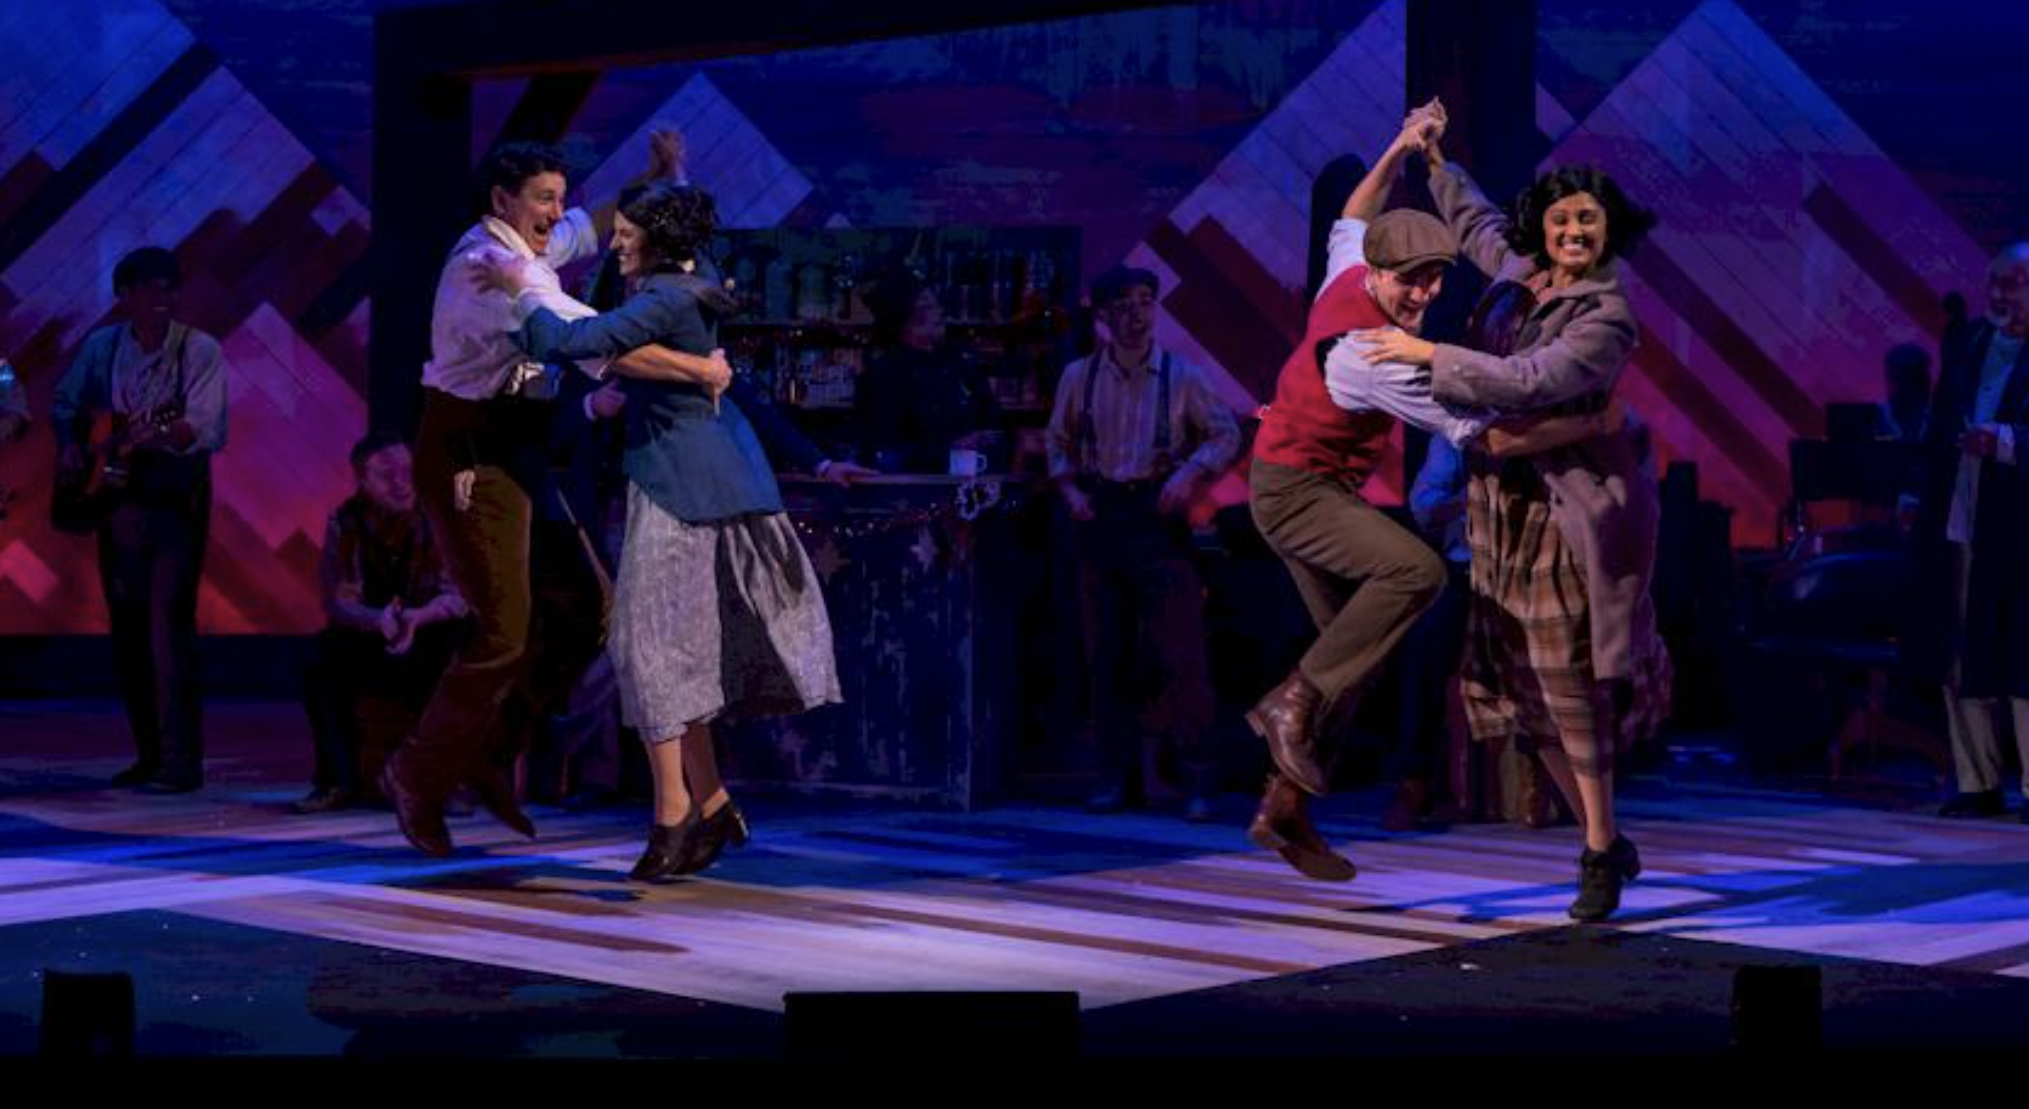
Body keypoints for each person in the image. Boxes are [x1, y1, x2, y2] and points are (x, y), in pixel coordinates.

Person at [1246, 106, 1616, 878]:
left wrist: (1399, 147)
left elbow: (1354, 212)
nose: (1423, 295)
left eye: (1434, 281)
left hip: (1309, 482)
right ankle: (1286, 703)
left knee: (1352, 657)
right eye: (1410, 281)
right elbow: (1487, 434)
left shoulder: (1349, 268)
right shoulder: (1372, 353)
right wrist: (1589, 423)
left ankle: (1281, 806)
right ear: (1379, 275)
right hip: (1296, 493)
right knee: (1415, 572)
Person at [484, 181, 869, 881]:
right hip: (708, 476)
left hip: (680, 487)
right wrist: (674, 177)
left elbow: (567, 339)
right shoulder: (693, 275)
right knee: (671, 650)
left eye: (627, 232)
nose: (615, 242)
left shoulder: (666, 297)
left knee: (649, 647)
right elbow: (625, 323)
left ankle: (674, 813)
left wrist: (519, 289)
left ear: (659, 240)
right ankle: (710, 804)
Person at [1356, 100, 1671, 922]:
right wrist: (1433, 161)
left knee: (1569, 687)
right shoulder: (1522, 274)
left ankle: (1597, 848)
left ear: (1608, 231)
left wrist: (1429, 353)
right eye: (1561, 219)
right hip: (1496, 508)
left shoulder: (1605, 314)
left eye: (1587, 221)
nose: (1572, 232)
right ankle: (1603, 838)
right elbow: (1475, 222)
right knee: (1520, 691)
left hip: (1563, 510)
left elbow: (1531, 381)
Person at [381, 138, 736, 857]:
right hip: (470, 448)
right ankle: (416, 774)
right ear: (502, 200)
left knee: (589, 607)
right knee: (502, 629)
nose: (555, 212)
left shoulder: (527, 243)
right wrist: (695, 367)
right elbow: (588, 337)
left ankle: (492, 750)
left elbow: (585, 226)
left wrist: (648, 176)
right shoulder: (489, 267)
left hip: (520, 447)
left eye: (557, 197)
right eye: (542, 198)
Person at [1046, 264, 1242, 822]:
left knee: (1181, 654)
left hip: (1157, 517)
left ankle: (1196, 776)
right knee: (1107, 654)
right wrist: (1070, 491)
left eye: (1144, 304)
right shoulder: (1079, 377)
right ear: (1104, 317)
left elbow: (1225, 432)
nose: (1136, 316)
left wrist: (1189, 474)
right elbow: (1057, 441)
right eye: (1124, 307)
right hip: (1103, 515)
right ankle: (1116, 776)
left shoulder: (1181, 375)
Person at [51, 247, 228, 794]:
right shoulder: (103, 346)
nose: (161, 297)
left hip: (175, 495)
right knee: (128, 628)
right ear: (123, 296)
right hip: (120, 493)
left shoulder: (198, 349)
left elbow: (205, 426)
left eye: (168, 287)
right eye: (148, 288)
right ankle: (149, 755)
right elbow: (66, 403)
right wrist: (72, 447)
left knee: (168, 628)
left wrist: (159, 434)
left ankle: (181, 762)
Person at [1908, 242, 2029, 820]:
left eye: (2015, 284)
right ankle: (1975, 780)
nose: (2000, 295)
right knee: (1961, 649)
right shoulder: (1970, 341)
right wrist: (1916, 491)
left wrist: (2005, 441)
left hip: (2020, 521)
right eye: (1995, 284)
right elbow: (1939, 422)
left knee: (2024, 653)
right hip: (1963, 512)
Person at [297, 434, 469, 814]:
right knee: (322, 659)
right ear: (363, 481)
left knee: (454, 650)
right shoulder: (346, 521)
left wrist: (417, 618)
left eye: (408, 472)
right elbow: (340, 601)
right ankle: (338, 780)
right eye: (386, 475)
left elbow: (457, 595)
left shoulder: (440, 515)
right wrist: (379, 620)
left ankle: (438, 784)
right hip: (374, 631)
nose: (401, 483)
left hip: (427, 629)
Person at [854, 270, 1004, 473]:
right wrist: (947, 451)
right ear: (903, 319)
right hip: (913, 485)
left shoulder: (960, 362)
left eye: (936, 305)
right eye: (927, 306)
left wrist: (989, 437)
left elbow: (990, 415)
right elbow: (882, 450)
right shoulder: (883, 374)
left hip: (970, 478)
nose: (940, 312)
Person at [1878, 342, 1933, 444]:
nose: (1894, 386)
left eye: (1899, 378)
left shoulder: (1942, 420)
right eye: (1892, 378)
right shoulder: (1877, 418)